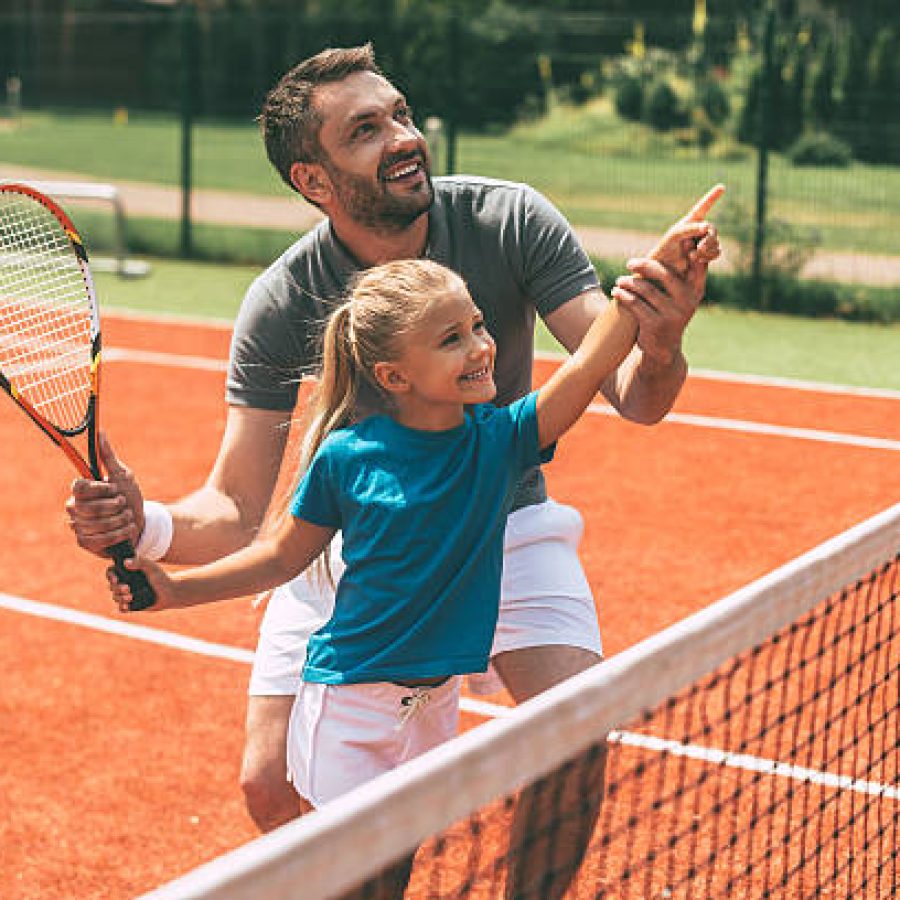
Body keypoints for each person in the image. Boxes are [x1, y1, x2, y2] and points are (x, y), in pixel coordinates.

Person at [66, 42, 721, 872]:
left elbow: (630, 390)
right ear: (314, 179)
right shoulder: (281, 300)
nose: (403, 137)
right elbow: (237, 511)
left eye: (401, 114)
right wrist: (146, 524)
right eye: (367, 130)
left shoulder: (509, 219)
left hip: (502, 513)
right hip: (354, 539)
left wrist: (659, 339)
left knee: (575, 729)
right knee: (271, 788)